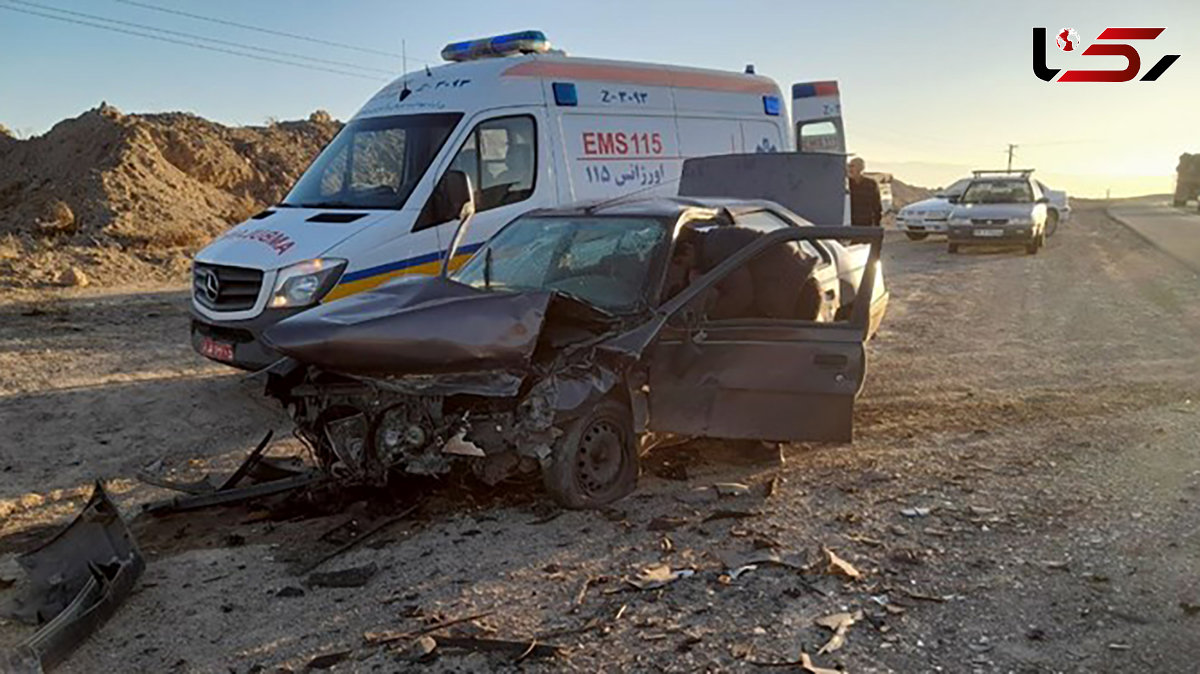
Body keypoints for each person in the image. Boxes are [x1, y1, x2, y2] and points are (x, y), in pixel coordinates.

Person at [848, 157, 882, 227]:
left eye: (852, 166)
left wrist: (877, 223)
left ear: (860, 168)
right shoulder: (847, 184)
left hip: (866, 222)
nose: (850, 169)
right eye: (849, 166)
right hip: (850, 222)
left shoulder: (870, 184)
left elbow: (876, 205)